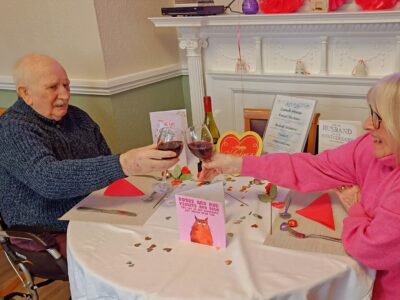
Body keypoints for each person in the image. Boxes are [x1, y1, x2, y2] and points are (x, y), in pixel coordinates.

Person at [201, 73, 400, 299]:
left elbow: (369, 249)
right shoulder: (367, 148)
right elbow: (311, 168)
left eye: (378, 117)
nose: (367, 125)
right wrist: (237, 163)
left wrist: (357, 208)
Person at [0, 54, 179, 256]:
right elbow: (48, 179)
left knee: (161, 225)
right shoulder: (12, 127)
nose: (65, 95)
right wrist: (126, 164)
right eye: (53, 87)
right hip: (47, 229)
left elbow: (105, 160)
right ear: (25, 93)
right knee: (129, 253)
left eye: (66, 85)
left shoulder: (78, 117)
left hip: (93, 210)